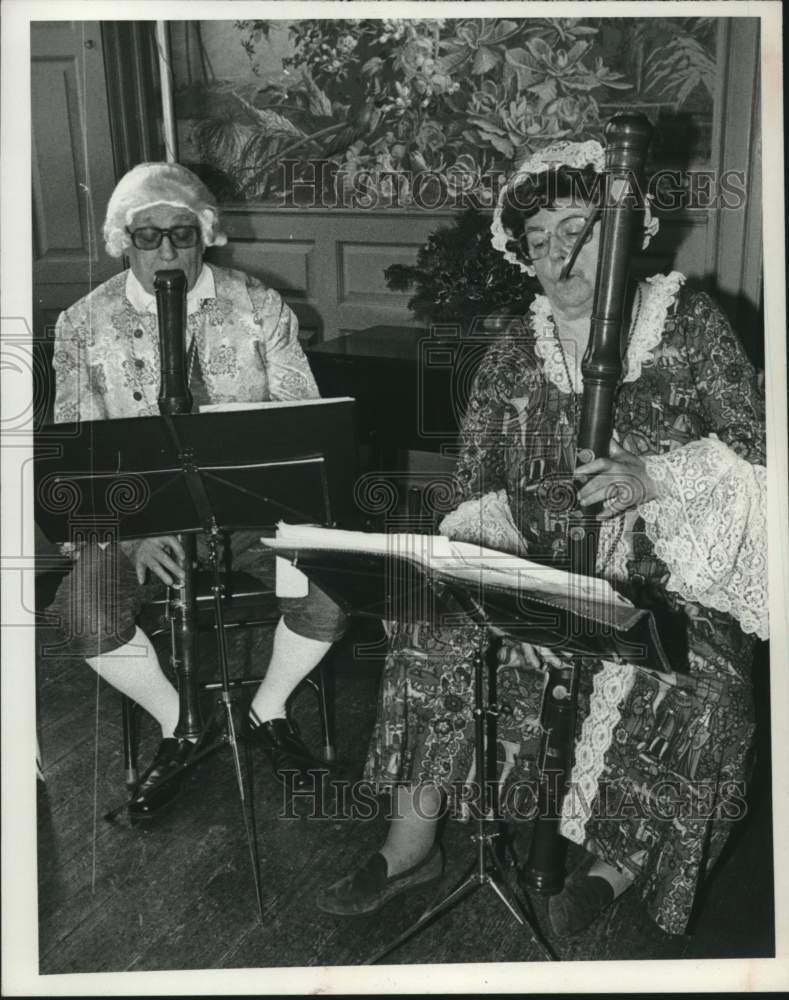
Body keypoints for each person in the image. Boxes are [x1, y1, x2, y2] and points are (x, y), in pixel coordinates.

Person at [315, 140, 767, 942]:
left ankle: (612, 867)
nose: (558, 257)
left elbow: (763, 455)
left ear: (625, 233)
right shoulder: (511, 350)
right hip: (535, 570)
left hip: (675, 577)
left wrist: (655, 476)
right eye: (538, 241)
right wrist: (514, 601)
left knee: (709, 685)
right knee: (431, 633)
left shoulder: (690, 324)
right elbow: (469, 497)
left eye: (577, 229)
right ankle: (407, 845)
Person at [47, 162, 347, 821]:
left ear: (206, 234)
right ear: (122, 239)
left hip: (252, 517)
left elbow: (302, 428)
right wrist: (131, 531)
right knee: (84, 616)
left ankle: (267, 712)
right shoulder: (81, 323)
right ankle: (182, 722)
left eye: (179, 233)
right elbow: (73, 454)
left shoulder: (260, 306)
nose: (164, 251)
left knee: (328, 595)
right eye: (145, 236)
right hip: (136, 527)